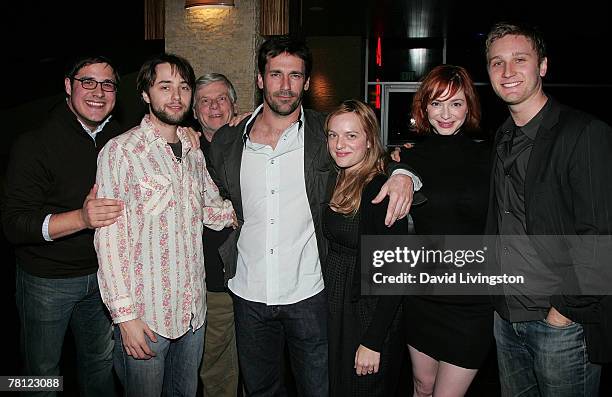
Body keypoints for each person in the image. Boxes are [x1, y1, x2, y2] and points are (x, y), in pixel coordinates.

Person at [207, 35, 420, 396]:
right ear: (260, 79)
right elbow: (216, 193)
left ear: (306, 83)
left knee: (319, 389)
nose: (285, 85)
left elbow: (369, 155)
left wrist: (404, 176)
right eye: (276, 74)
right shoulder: (228, 142)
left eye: (295, 76)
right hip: (248, 292)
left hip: (309, 293)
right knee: (260, 389)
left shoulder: (325, 134)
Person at [94, 53, 235, 397]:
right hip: (147, 318)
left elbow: (211, 209)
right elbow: (109, 240)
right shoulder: (121, 152)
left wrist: (255, 210)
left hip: (192, 314)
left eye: (184, 87)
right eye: (165, 87)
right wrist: (125, 317)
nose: (176, 96)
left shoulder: (192, 149)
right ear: (145, 94)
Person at [485, 22, 612, 396]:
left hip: (559, 324)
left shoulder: (584, 132)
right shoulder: (502, 137)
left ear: (542, 66)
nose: (507, 72)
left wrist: (565, 311)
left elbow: (601, 236)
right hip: (506, 319)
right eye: (496, 63)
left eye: (519, 60)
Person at [1, 55, 124, 396]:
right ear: (68, 86)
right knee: (40, 372)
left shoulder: (121, 140)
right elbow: (13, 225)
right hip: (46, 280)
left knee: (99, 363)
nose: (98, 91)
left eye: (108, 84)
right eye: (88, 82)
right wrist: (81, 218)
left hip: (103, 278)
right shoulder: (34, 143)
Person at [396, 65, 493, 397]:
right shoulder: (410, 159)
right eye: (436, 104)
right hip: (422, 298)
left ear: (469, 107)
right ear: (424, 108)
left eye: (456, 103)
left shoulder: (490, 159)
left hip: (471, 303)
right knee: (421, 387)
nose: (445, 113)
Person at [323, 99, 407, 396]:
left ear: (369, 140)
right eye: (333, 135)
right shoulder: (337, 178)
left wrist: (373, 340)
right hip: (337, 308)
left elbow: (396, 276)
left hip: (367, 314)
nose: (340, 144)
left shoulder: (380, 191)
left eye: (351, 135)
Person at [193, 72, 241, 397]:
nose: (213, 107)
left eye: (221, 98)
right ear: (194, 112)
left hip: (256, 282)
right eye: (204, 101)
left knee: (259, 366)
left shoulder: (253, 143)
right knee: (217, 370)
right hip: (211, 284)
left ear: (233, 105)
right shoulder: (183, 152)